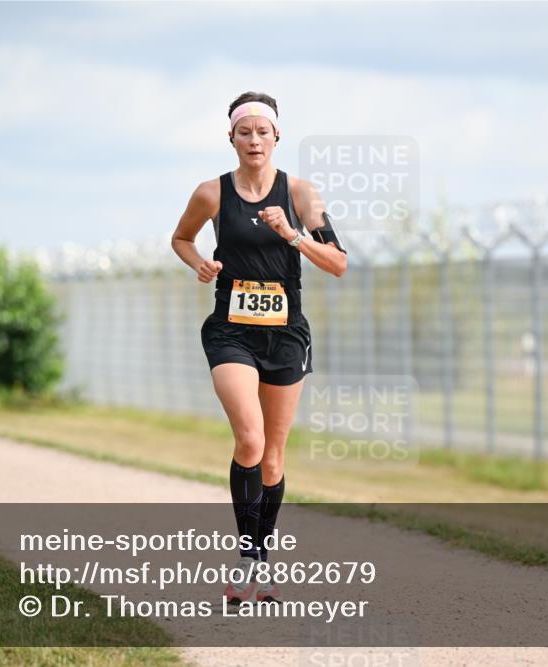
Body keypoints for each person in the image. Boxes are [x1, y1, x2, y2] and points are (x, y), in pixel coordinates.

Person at [171, 92, 347, 605]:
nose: (254, 140)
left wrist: (291, 234)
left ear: (276, 137)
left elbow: (337, 263)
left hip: (286, 333)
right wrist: (198, 263)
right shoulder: (211, 193)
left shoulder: (302, 194)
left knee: (272, 455)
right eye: (244, 132)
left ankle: (261, 563)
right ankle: (248, 560)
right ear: (231, 138)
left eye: (262, 131)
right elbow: (181, 239)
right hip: (231, 330)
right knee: (249, 439)